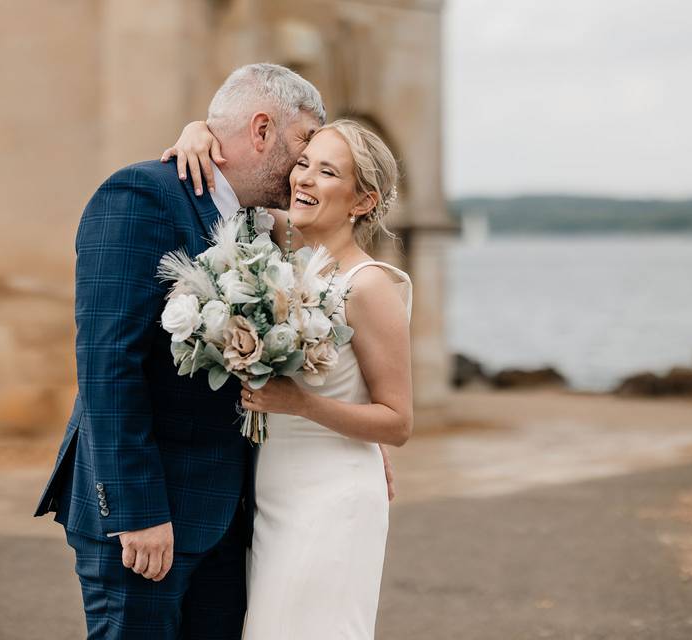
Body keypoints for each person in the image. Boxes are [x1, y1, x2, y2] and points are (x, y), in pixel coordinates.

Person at [33, 63, 325, 639]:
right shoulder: (141, 196)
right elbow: (108, 364)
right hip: (150, 519)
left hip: (226, 518)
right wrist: (138, 512)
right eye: (304, 142)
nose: (307, 166)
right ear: (262, 131)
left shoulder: (259, 224)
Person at [163, 117, 413, 638]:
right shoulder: (278, 251)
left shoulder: (368, 287)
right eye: (303, 164)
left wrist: (302, 404)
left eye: (326, 172)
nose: (303, 179)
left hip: (331, 497)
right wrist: (198, 130)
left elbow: (397, 421)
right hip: (272, 491)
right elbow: (232, 180)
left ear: (363, 201)